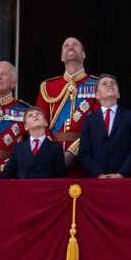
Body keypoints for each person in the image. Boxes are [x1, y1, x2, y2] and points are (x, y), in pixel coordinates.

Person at [36, 37, 100, 175]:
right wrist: (55, 152)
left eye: (75, 44)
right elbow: (39, 124)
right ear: (61, 57)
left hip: (85, 157)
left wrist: (72, 152)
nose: (70, 47)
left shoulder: (97, 85)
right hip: (51, 158)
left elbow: (98, 124)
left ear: (83, 54)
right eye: (66, 46)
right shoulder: (47, 87)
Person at [77, 74, 131, 178]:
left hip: (123, 179)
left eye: (113, 83)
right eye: (104, 84)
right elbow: (84, 153)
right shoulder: (89, 120)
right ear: (97, 95)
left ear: (118, 94)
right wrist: (98, 174)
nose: (109, 85)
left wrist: (121, 174)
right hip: (97, 180)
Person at [0, 107, 66, 179]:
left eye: (38, 114)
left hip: (46, 189)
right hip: (24, 189)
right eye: (30, 115)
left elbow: (61, 177)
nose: (35, 116)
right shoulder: (19, 148)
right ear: (26, 126)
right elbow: (7, 173)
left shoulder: (55, 147)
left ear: (46, 123)